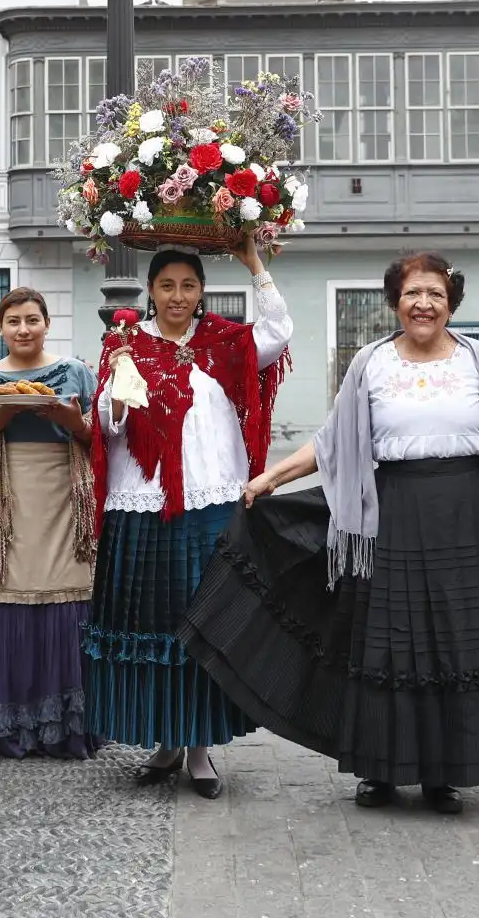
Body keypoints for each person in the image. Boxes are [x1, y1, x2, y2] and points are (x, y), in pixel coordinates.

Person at [180, 251, 479, 812]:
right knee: (389, 645)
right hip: (389, 517)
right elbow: (333, 441)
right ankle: (380, 772)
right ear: (396, 302)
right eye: (413, 293)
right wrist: (270, 478)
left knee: (456, 646)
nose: (424, 304)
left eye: (435, 293)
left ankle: (444, 773)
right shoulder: (370, 363)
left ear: (451, 302)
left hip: (473, 520)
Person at [87, 238, 289, 800]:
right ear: (150, 291)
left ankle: (198, 749)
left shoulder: (225, 343)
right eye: (166, 285)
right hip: (142, 503)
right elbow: (105, 424)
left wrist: (255, 265)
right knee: (150, 626)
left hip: (208, 503)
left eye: (189, 285)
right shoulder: (125, 343)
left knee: (202, 627)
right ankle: (164, 743)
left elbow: (277, 333)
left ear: (202, 292)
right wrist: (119, 400)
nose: (178, 296)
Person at [0, 288, 99, 758]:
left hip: (64, 505)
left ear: (47, 323)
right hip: (0, 510)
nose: (23, 329)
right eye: (13, 321)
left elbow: (105, 444)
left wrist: (75, 424)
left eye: (32, 319)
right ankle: (0, 724)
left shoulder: (77, 375)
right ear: (0, 328)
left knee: (66, 596)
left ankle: (64, 726)